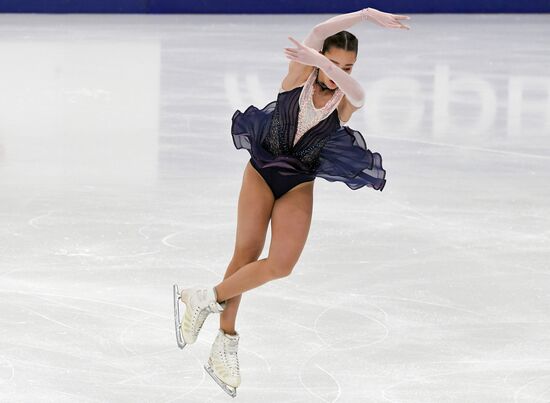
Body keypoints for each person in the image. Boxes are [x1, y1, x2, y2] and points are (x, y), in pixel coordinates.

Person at [173, 7, 411, 397]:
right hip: (261, 170)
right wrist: (365, 14)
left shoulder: (346, 99)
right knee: (245, 254)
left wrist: (324, 63)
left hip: (298, 182)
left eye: (347, 67)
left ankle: (204, 297)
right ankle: (225, 344)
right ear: (318, 61)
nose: (339, 72)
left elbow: (359, 94)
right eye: (332, 62)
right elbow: (319, 30)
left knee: (281, 265)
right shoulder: (299, 76)